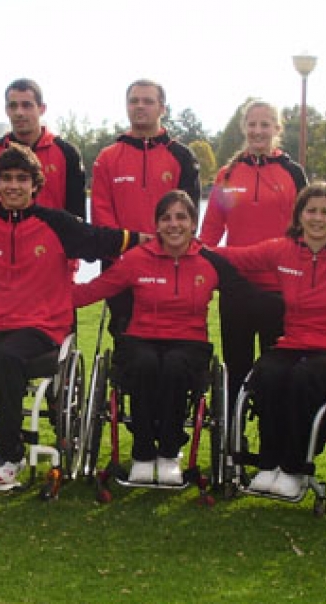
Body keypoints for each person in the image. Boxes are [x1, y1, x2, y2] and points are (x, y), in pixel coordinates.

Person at [0, 143, 141, 486]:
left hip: (39, 326)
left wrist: (153, 240)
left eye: (22, 179)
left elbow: (104, 240)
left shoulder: (56, 224)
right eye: (6, 178)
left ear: (35, 185)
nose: (13, 186)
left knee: (7, 359)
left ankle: (9, 455)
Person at [215, 183, 326, 499]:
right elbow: (233, 257)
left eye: (325, 212)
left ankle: (293, 468)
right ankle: (268, 464)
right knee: (267, 374)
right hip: (294, 342)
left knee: (305, 377)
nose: (317, 218)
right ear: (299, 216)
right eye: (310, 210)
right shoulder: (281, 249)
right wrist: (182, 246)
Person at [73, 190, 249, 484]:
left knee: (175, 367)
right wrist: (40, 299)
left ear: (193, 223)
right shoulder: (136, 259)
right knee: (144, 364)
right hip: (141, 337)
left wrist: (293, 306)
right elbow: (95, 289)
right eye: (166, 218)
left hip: (189, 342)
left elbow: (247, 295)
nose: (174, 224)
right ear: (156, 225)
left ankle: (169, 453)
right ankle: (142, 453)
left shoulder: (210, 261)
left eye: (181, 217)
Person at [199, 99, 308, 402]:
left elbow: (310, 227)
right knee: (237, 367)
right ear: (243, 127)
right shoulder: (228, 175)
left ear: (276, 128)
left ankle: (273, 437)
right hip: (237, 287)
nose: (258, 131)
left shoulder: (292, 173)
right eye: (252, 124)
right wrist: (198, 265)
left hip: (281, 288)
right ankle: (235, 442)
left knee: (278, 369)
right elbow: (212, 228)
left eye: (265, 124)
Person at [91, 79, 200, 334]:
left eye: (148, 101)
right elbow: (101, 213)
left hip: (170, 265)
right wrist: (130, 251)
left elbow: (188, 218)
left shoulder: (182, 157)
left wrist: (160, 249)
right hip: (121, 267)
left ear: (162, 108)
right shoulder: (108, 157)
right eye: (134, 101)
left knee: (171, 338)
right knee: (126, 341)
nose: (140, 106)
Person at [0, 78, 86, 218]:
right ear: (6, 110)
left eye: (26, 105)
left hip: (53, 238)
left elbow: (77, 216)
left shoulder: (67, 153)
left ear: (42, 109)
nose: (19, 112)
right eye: (13, 106)